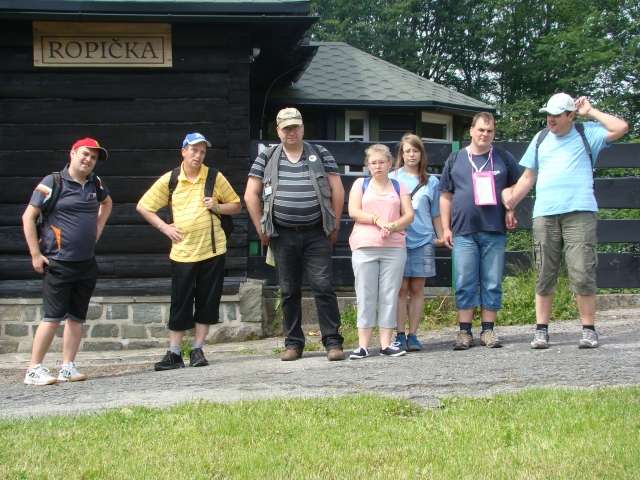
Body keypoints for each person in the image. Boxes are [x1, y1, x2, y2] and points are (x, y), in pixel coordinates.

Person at [502, 93, 628, 349]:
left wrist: (591, 112)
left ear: (571, 115)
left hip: (580, 213)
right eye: (548, 114)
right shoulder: (540, 138)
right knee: (544, 273)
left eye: (557, 115)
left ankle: (588, 330)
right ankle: (541, 330)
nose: (550, 119)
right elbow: (528, 177)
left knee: (582, 272)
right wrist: (510, 203)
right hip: (545, 214)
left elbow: (621, 127)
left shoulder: (587, 134)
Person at [244, 108, 346, 361]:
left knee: (323, 287)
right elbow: (250, 194)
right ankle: (293, 344)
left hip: (317, 233)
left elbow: (337, 190)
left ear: (302, 128)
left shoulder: (320, 153)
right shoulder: (266, 156)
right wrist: (261, 228)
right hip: (282, 235)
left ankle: (333, 342)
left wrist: (334, 224)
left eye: (295, 127)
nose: (291, 132)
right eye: (286, 128)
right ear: (278, 131)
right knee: (289, 290)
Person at [137, 132, 241, 370]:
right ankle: (174, 353)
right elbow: (144, 206)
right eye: (194, 150)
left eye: (202, 151)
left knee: (207, 301)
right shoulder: (172, 179)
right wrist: (165, 228)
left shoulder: (214, 176)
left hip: (212, 250)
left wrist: (217, 206)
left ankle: (197, 350)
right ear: (183, 151)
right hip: (182, 252)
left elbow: (236, 206)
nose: (198, 155)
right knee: (180, 302)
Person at [22, 138, 112, 385]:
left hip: (86, 262)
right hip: (58, 262)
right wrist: (35, 254)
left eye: (93, 157)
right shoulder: (52, 182)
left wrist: (97, 230)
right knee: (52, 317)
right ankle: (34, 369)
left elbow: (107, 203)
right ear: (72, 153)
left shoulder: (95, 183)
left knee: (76, 317)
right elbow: (28, 217)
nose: (89, 160)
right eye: (85, 154)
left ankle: (67, 367)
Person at [439, 112, 520, 350]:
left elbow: (516, 187)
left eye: (489, 130)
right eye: (481, 129)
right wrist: (445, 227)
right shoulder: (456, 158)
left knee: (492, 281)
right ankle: (464, 332)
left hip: (494, 229)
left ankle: (488, 330)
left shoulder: (503, 157)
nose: (485, 134)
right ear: (471, 131)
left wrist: (510, 208)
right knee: (464, 281)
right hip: (463, 230)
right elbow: (445, 195)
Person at [348, 144, 414, 359]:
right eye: (373, 163)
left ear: (390, 163)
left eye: (382, 162)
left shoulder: (399, 186)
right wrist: (376, 220)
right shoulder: (360, 184)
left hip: (393, 247)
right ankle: (363, 345)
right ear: (368, 165)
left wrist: (393, 226)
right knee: (365, 294)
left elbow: (409, 215)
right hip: (364, 246)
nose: (378, 166)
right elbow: (353, 211)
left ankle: (386, 344)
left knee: (389, 294)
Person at [389, 134, 443, 352]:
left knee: (417, 288)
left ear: (422, 154)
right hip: (399, 239)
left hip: (423, 239)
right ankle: (399, 334)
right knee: (400, 289)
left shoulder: (432, 181)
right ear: (401, 154)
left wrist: (441, 235)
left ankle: (413, 335)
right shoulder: (392, 178)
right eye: (407, 151)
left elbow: (436, 212)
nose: (411, 155)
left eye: (415, 150)